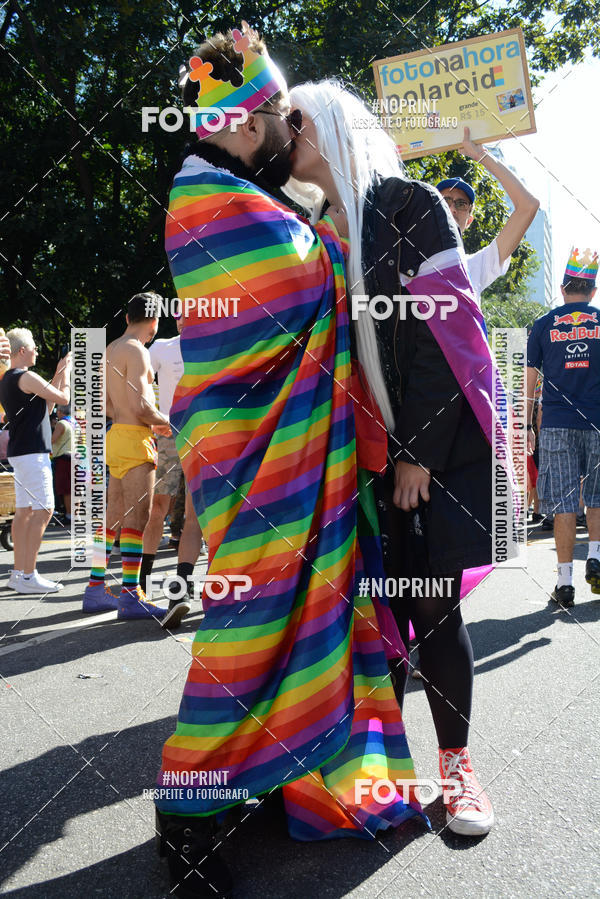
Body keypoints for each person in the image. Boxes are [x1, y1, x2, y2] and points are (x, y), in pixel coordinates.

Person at [155, 26, 424, 899]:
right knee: (248, 629)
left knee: (318, 620)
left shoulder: (239, 190)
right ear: (245, 117)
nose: (285, 122)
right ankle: (185, 818)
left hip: (285, 464)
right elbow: (303, 286)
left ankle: (300, 772)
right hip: (256, 471)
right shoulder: (211, 201)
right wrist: (345, 235)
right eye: (276, 111)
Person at [285, 79, 518, 837]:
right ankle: (373, 773)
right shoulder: (314, 227)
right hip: (357, 467)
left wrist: (416, 452)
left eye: (300, 123)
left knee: (432, 608)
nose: (289, 136)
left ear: (335, 132)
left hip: (430, 454)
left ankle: (457, 769)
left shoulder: (409, 203)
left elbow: (448, 337)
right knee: (365, 620)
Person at [82, 293, 170, 619]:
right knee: (137, 521)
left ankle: (95, 589)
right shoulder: (139, 352)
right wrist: (167, 423)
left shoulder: (111, 349)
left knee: (112, 519)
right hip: (135, 440)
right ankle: (131, 595)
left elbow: (104, 404)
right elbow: (141, 406)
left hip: (116, 436)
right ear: (154, 321)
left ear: (127, 318)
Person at [526, 247, 600, 608]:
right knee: (599, 498)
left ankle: (566, 583)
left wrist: (526, 424)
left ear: (562, 286)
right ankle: (597, 558)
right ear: (593, 289)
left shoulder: (542, 325)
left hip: (556, 423)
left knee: (565, 504)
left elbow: (528, 379)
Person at [140, 311, 207, 628]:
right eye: (178, 314)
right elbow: (136, 383)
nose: (182, 319)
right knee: (158, 509)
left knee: (199, 519)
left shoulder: (216, 346)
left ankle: (182, 593)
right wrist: (153, 417)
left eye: (190, 314)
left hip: (207, 438)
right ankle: (141, 583)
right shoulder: (162, 347)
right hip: (170, 438)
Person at [0, 328, 70, 593]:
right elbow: (63, 398)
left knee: (25, 511)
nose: (37, 350)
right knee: (43, 510)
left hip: (22, 451)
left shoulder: (9, 379)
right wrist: (68, 372)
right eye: (33, 347)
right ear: (21, 351)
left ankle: (19, 573)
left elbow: (48, 407)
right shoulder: (26, 376)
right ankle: (28, 575)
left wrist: (61, 372)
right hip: (32, 452)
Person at [436, 127, 539, 303]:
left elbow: (528, 206)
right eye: (445, 201)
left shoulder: (476, 265)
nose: (452, 209)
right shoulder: (406, 259)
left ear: (469, 221)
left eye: (461, 204)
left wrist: (480, 155)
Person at [51, 404, 73, 525]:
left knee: (66, 489)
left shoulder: (62, 424)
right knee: (75, 488)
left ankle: (69, 515)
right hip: (77, 457)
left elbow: (52, 440)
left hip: (64, 458)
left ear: (59, 412)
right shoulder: (75, 423)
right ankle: (76, 515)